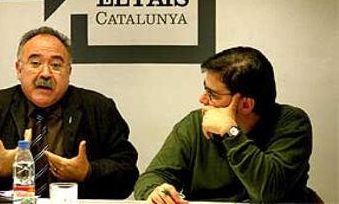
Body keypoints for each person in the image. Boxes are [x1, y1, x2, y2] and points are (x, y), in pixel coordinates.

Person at [0, 26, 139, 199]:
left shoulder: (98, 108)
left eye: (56, 65)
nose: (45, 73)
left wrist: (88, 171)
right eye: (35, 63)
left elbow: (128, 174)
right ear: (19, 69)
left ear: (69, 72)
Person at [134, 46, 314, 203]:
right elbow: (151, 177)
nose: (202, 99)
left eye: (213, 94)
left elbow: (267, 192)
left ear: (245, 104)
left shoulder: (292, 123)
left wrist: (230, 132)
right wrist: (156, 191)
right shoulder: (195, 123)